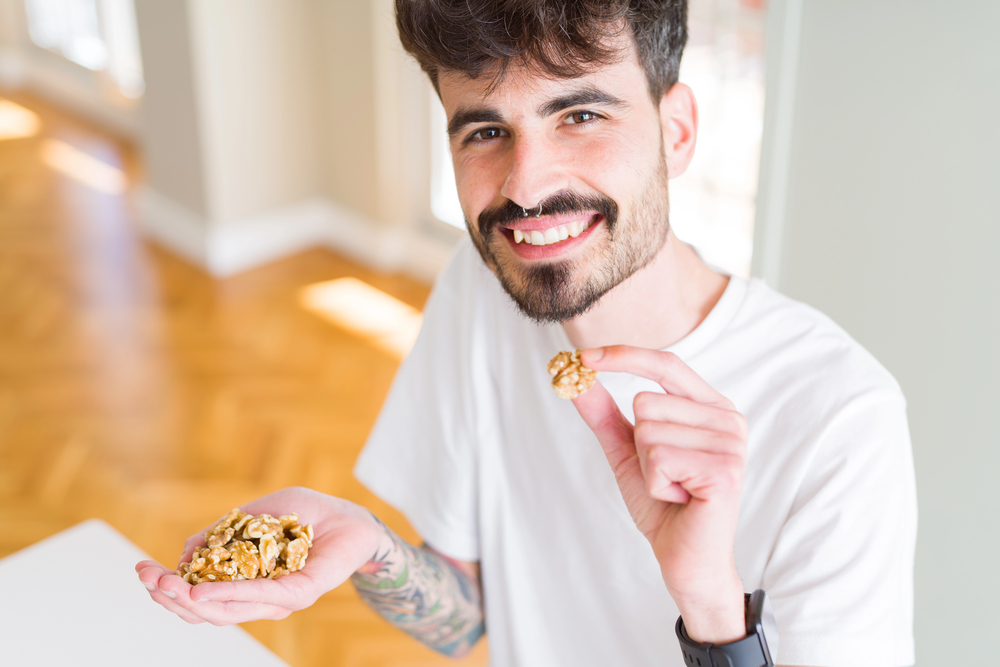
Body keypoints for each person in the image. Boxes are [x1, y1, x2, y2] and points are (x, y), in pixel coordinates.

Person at [136, 1, 917, 665]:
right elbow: (464, 617)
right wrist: (368, 544)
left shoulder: (841, 419)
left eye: (579, 115)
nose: (526, 187)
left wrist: (712, 603)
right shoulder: (483, 288)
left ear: (675, 131)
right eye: (484, 132)